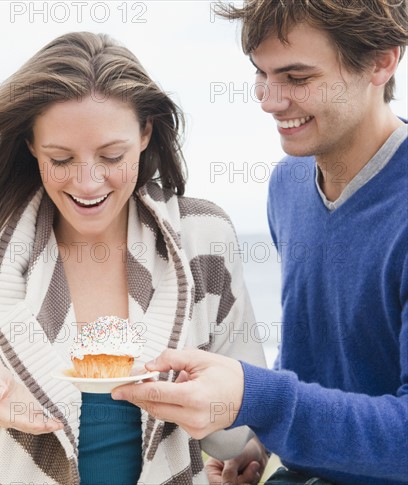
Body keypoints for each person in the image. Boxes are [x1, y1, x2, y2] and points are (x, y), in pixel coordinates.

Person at [0, 31, 266, 484]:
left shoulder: (203, 241)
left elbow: (244, 430)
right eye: (61, 158)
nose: (88, 183)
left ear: (145, 133)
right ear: (30, 144)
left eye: (111, 155)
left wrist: (237, 444)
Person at [113, 1, 408, 484]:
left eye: (297, 78)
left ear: (381, 61)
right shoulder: (288, 184)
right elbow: (309, 359)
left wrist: (260, 398)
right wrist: (261, 441)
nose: (270, 100)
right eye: (262, 75)